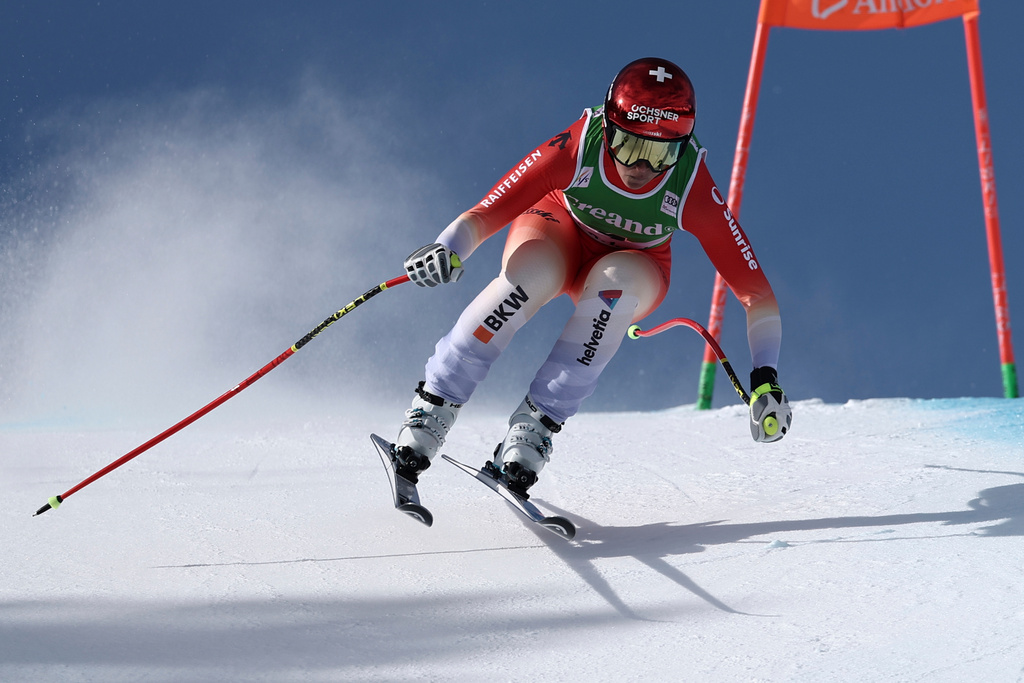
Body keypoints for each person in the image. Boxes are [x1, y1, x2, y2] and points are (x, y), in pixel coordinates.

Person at [391, 57, 791, 498]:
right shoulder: (580, 145)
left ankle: (534, 430)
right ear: (607, 127)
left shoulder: (690, 183)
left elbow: (755, 292)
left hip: (635, 263)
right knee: (529, 276)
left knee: (614, 291)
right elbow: (493, 207)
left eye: (660, 154)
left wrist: (765, 378)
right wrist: (448, 247)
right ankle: (430, 412)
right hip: (557, 228)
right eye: (628, 145)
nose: (641, 166)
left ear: (682, 147)